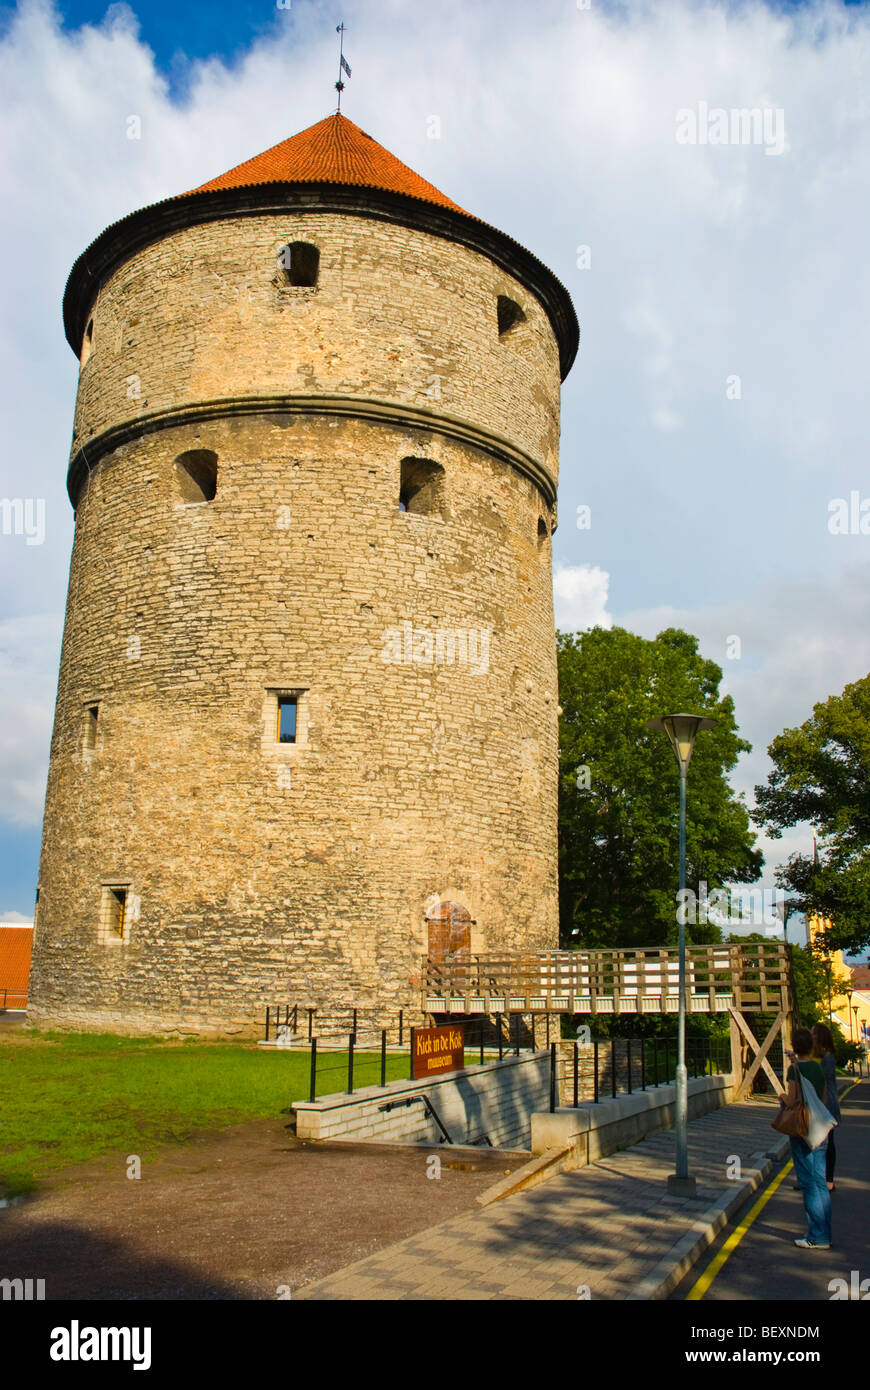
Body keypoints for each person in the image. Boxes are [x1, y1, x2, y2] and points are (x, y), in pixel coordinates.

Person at [781, 1027, 831, 1249]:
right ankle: (824, 1233)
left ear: (795, 1046)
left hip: (802, 1130)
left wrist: (781, 1096)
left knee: (808, 1184)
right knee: (820, 1183)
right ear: (810, 1046)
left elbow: (791, 1102)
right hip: (820, 1129)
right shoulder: (818, 1069)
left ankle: (816, 1236)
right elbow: (823, 1099)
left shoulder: (794, 1071)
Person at [811, 1022, 840, 1191]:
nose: (811, 1036)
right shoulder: (816, 1055)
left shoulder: (827, 1057)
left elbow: (822, 1076)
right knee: (815, 1142)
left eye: (813, 1033)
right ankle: (816, 1177)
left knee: (828, 1143)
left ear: (819, 1037)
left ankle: (829, 1180)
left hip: (827, 1106)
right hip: (817, 1105)